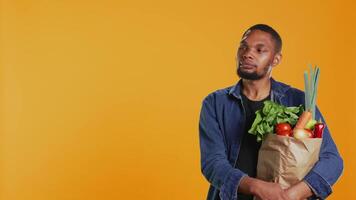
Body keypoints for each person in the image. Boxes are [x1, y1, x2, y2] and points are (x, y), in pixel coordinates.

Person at [198, 24, 343, 200]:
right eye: (243, 47)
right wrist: (258, 187)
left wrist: (292, 194)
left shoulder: (299, 102)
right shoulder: (215, 103)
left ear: (276, 59)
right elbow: (213, 164)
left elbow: (332, 160)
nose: (247, 54)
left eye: (260, 50)